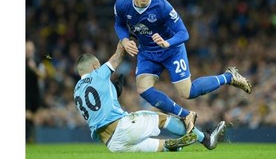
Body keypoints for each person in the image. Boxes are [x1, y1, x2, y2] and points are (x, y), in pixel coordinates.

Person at [113, 0, 252, 133]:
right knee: (143, 89)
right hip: (147, 53)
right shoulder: (122, 4)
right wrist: (124, 40)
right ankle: (186, 115)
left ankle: (229, 76)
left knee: (187, 92)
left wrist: (167, 42)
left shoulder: (162, 6)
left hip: (171, 51)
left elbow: (184, 33)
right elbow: (119, 24)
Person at [73, 42, 225, 152]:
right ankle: (205, 139)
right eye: (98, 65)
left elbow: (98, 108)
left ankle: (173, 145)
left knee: (161, 147)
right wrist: (125, 36)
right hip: (123, 127)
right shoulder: (98, 74)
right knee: (162, 118)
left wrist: (113, 90)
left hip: (112, 144)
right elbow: (118, 56)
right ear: (94, 66)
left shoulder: (77, 91)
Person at [26, 40, 46, 143]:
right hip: (25, 93)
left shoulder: (37, 61)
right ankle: (28, 137)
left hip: (35, 93)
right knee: (27, 114)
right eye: (27, 48)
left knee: (34, 116)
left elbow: (42, 76)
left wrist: (34, 68)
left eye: (30, 48)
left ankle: (30, 137)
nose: (29, 50)